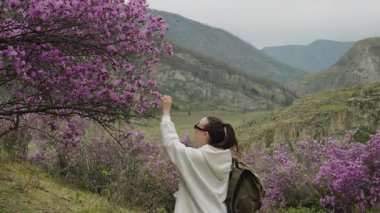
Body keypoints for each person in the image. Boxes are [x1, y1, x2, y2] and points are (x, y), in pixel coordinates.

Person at [160, 95, 239, 213]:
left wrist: (166, 113)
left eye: (198, 126)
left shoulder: (198, 157)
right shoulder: (226, 159)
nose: (195, 130)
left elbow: (171, 144)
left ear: (205, 134)